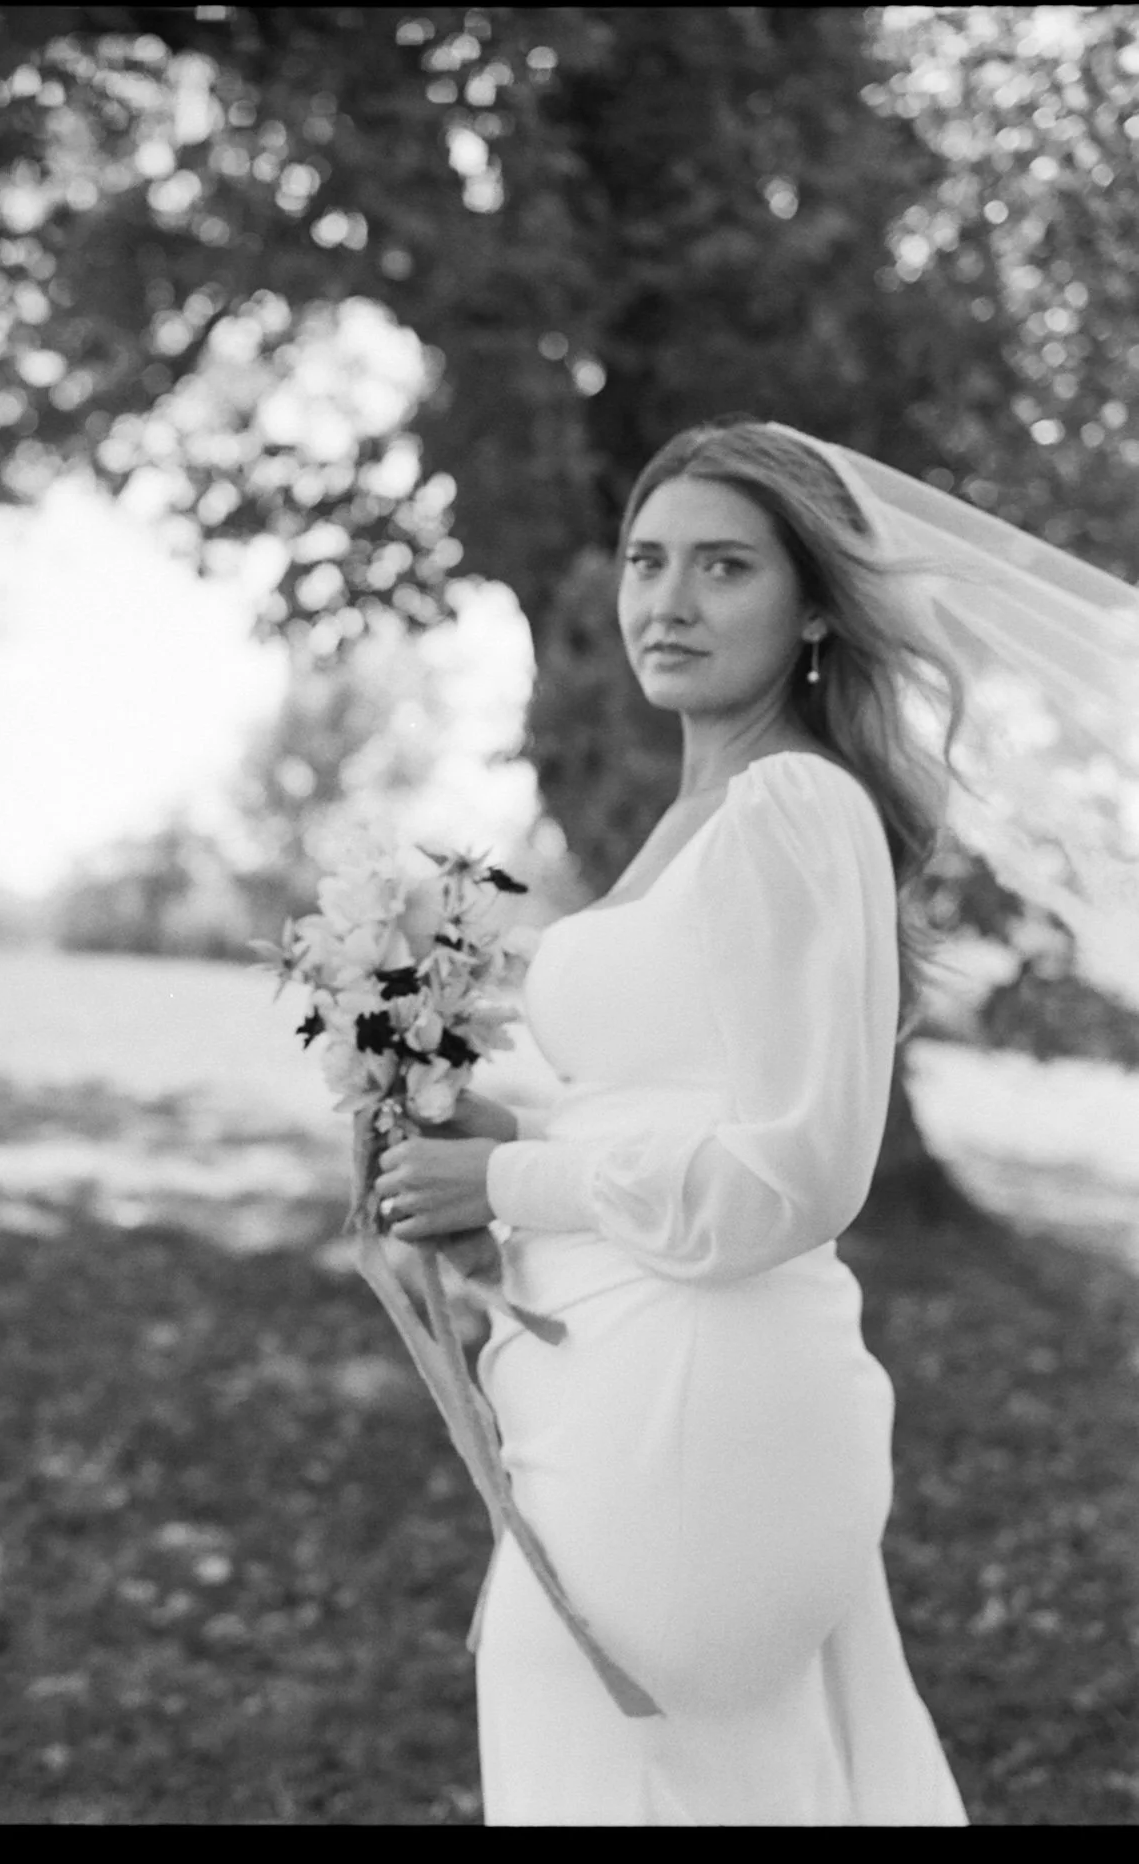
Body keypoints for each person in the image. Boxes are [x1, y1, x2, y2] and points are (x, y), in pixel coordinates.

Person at [374, 419, 971, 1824]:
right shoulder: (695, 813)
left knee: (609, 1760)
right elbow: (656, 1106)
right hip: (618, 1391)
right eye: (647, 561)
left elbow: (799, 1171)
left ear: (813, 604)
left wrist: (514, 1182)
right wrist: (453, 1156)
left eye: (723, 568)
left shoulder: (787, 803)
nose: (668, 601)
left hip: (700, 1411)